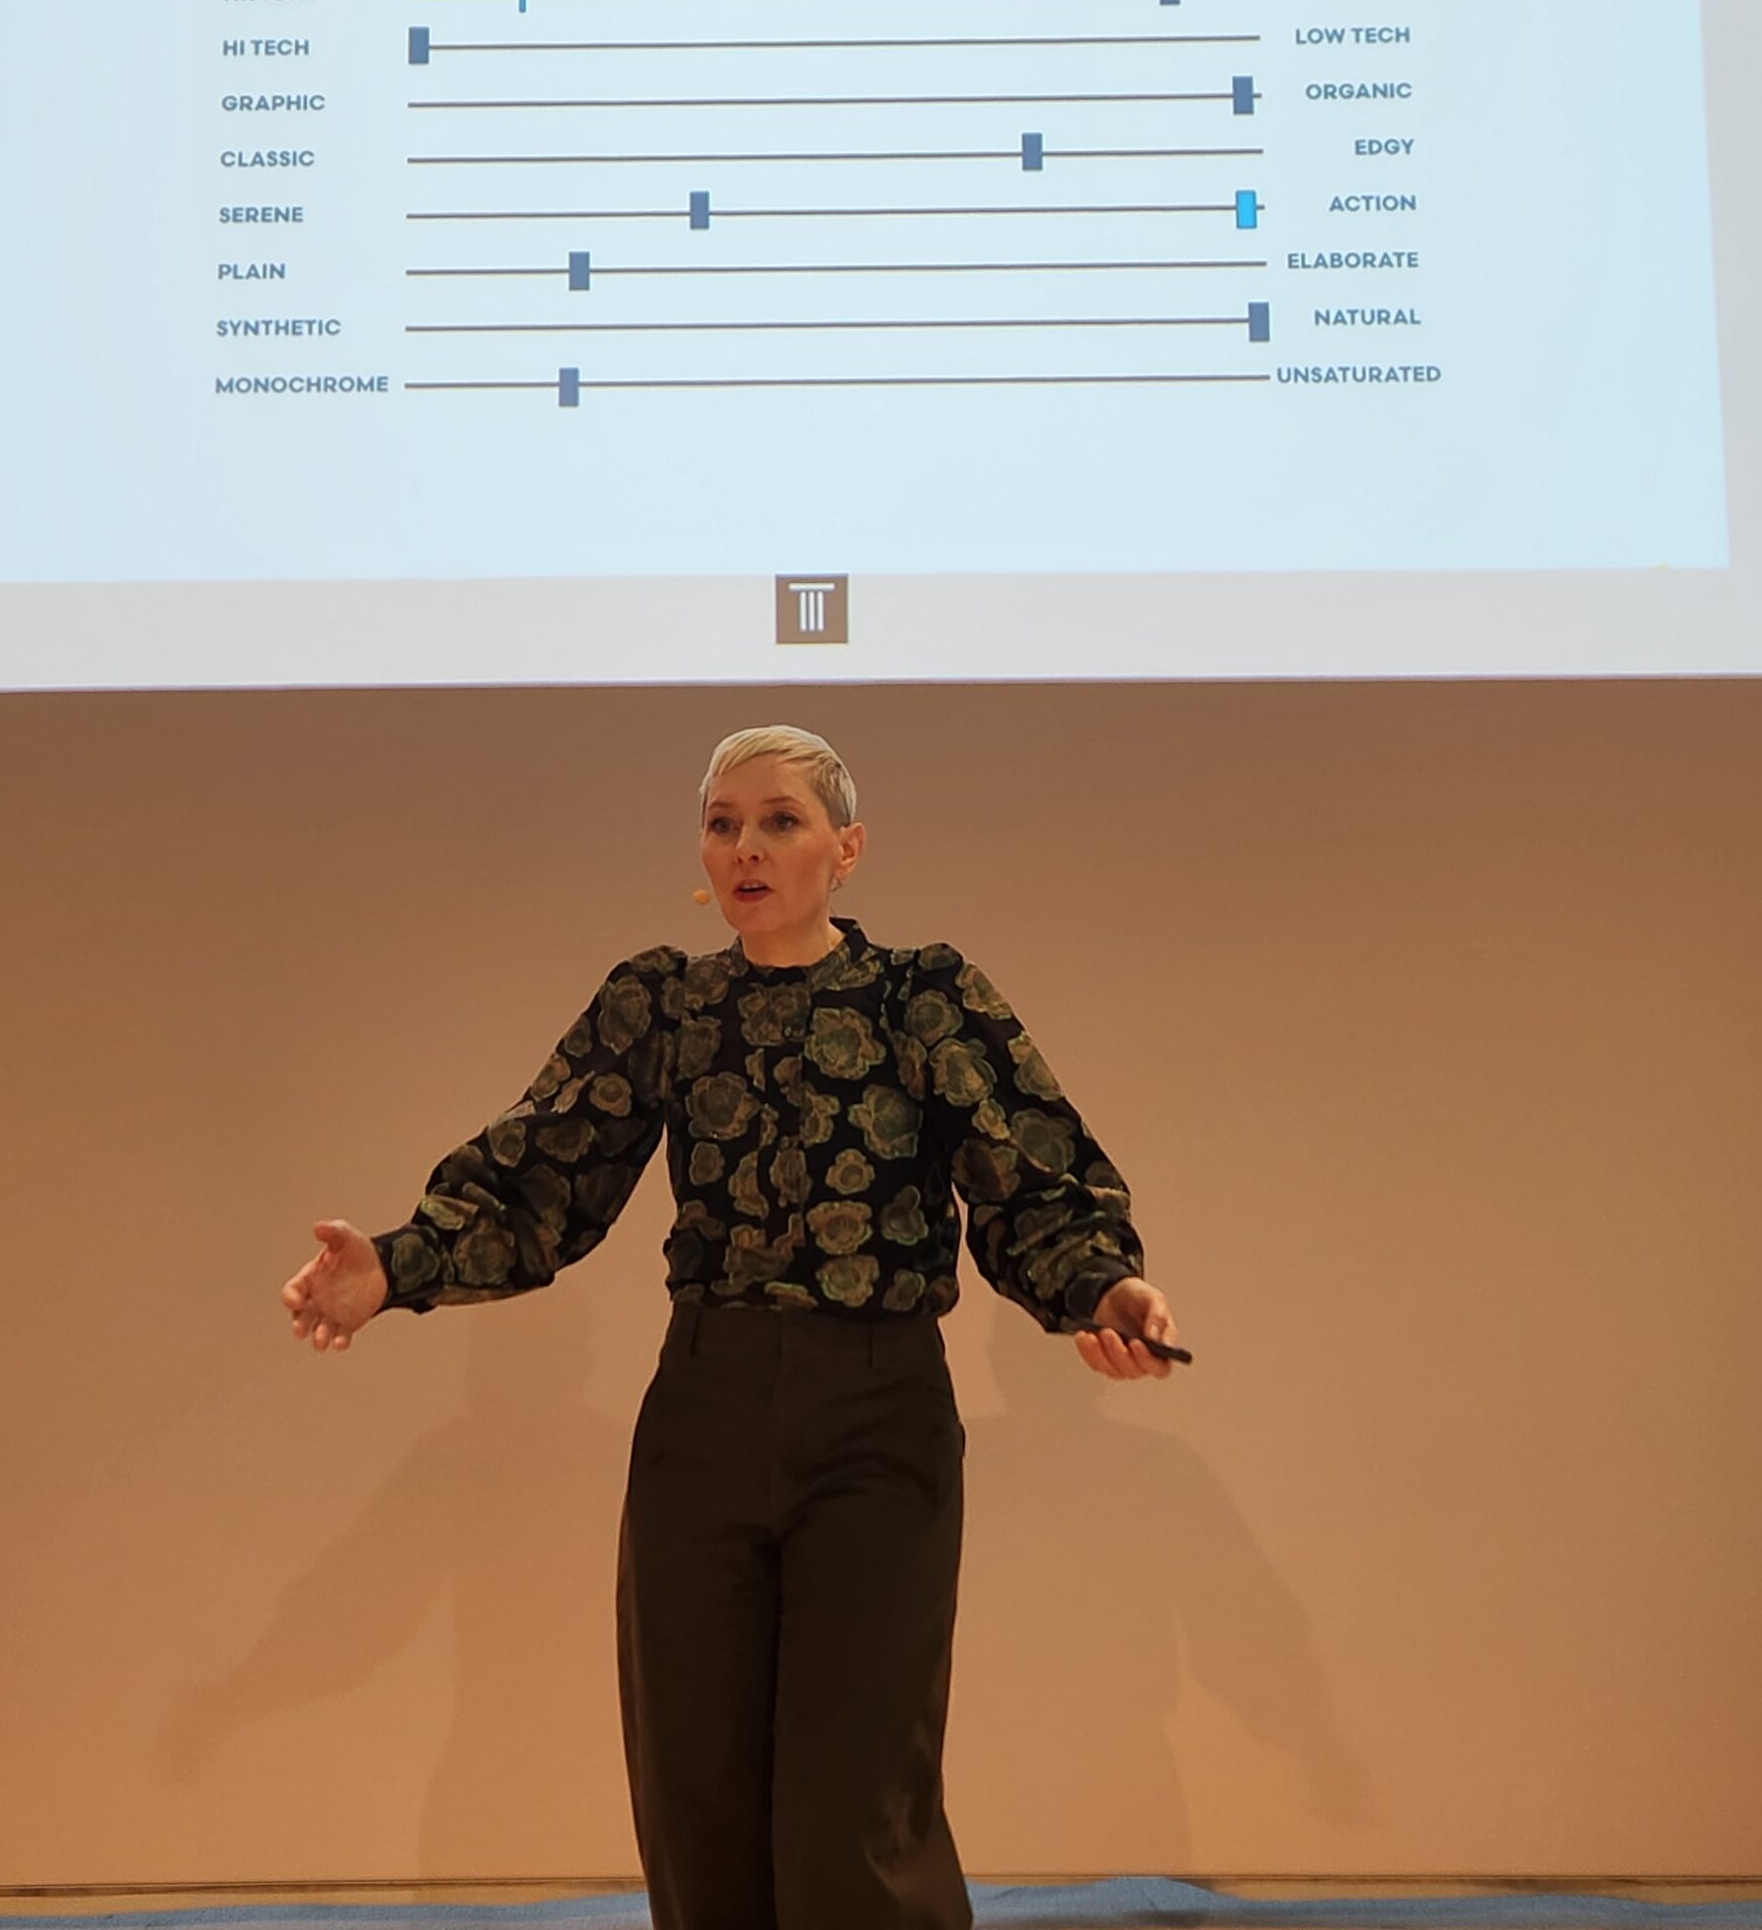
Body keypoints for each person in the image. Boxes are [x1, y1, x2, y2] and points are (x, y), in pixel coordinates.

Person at [281, 723, 1180, 1930]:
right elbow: (543, 1176)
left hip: (876, 1421)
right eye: (723, 824)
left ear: (846, 848)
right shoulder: (664, 1002)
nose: (746, 847)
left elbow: (1032, 1182)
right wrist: (390, 1268)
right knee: (694, 1787)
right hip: (702, 1412)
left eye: (780, 821)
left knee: (853, 1799)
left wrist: (1103, 1289)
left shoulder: (924, 997)